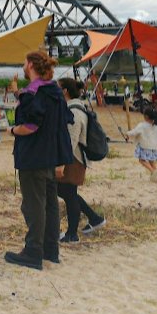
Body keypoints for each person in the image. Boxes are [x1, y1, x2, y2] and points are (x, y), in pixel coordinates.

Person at [6, 51, 73, 270]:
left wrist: (13, 130)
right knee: (50, 205)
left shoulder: (34, 92)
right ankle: (50, 250)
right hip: (51, 156)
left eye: (24, 62)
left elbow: (31, 125)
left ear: (31, 64)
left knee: (34, 205)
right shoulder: (54, 91)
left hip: (33, 156)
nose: (23, 66)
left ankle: (33, 251)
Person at [58, 78, 105, 242]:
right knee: (66, 192)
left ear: (64, 91)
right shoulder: (74, 108)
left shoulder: (74, 112)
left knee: (68, 194)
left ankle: (72, 234)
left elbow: (71, 140)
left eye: (57, 88)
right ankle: (94, 218)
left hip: (73, 159)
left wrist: (61, 163)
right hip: (73, 158)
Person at [125, 109, 157, 182]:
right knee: (152, 162)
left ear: (146, 116)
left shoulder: (142, 125)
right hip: (155, 148)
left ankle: (152, 171)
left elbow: (135, 132)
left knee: (142, 160)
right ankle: (154, 177)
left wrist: (127, 133)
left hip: (145, 146)